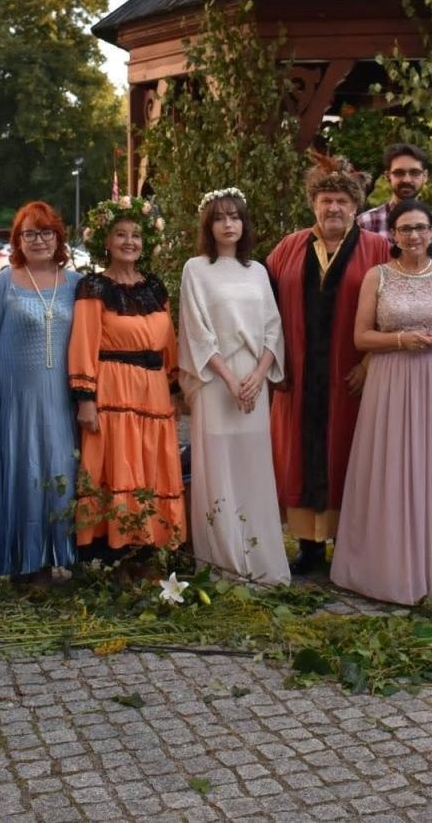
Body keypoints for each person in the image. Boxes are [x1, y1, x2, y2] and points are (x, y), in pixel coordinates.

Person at [331, 200, 432, 604]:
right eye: (406, 229)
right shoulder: (377, 277)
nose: (414, 235)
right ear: (392, 235)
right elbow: (361, 337)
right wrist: (400, 340)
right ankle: (386, 566)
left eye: (421, 228)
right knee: (392, 467)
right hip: (391, 381)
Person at [265, 153, 392, 575]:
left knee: (350, 452)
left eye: (341, 200)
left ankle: (353, 546)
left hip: (352, 375)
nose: (333, 207)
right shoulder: (287, 248)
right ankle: (309, 548)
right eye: (325, 199)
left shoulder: (378, 250)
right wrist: (272, 363)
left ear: (356, 207)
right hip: (297, 375)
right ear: (313, 204)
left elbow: (396, 309)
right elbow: (261, 308)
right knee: (298, 455)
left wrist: (371, 360)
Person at [178, 188, 290, 586]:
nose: (229, 224)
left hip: (253, 383)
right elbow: (196, 331)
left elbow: (273, 329)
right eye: (220, 218)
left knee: (253, 466)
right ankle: (224, 560)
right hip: (215, 380)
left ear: (244, 224)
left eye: (235, 217)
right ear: (209, 225)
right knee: (219, 466)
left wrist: (258, 377)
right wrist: (230, 380)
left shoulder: (258, 271)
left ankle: (259, 557)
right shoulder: (196, 269)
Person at [69, 196, 185, 557]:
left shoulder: (155, 287)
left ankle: (152, 545)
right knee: (118, 464)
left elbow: (170, 341)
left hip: (153, 390)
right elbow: (84, 343)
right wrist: (85, 398)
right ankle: (114, 551)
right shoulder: (94, 287)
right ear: (106, 241)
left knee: (153, 461)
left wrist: (175, 387)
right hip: (114, 390)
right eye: (120, 234)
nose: (129, 241)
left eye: (136, 235)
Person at [0, 202, 81, 581]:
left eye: (46, 232)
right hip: (16, 401)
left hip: (62, 400)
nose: (39, 240)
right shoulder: (0, 285)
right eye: (30, 233)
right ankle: (24, 562)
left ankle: (60, 555)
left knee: (61, 471)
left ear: (59, 237)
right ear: (18, 240)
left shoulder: (77, 284)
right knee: (26, 474)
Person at [356, 142, 432, 265]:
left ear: (425, 176)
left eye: (414, 173)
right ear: (388, 176)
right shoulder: (365, 224)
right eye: (399, 173)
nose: (407, 179)